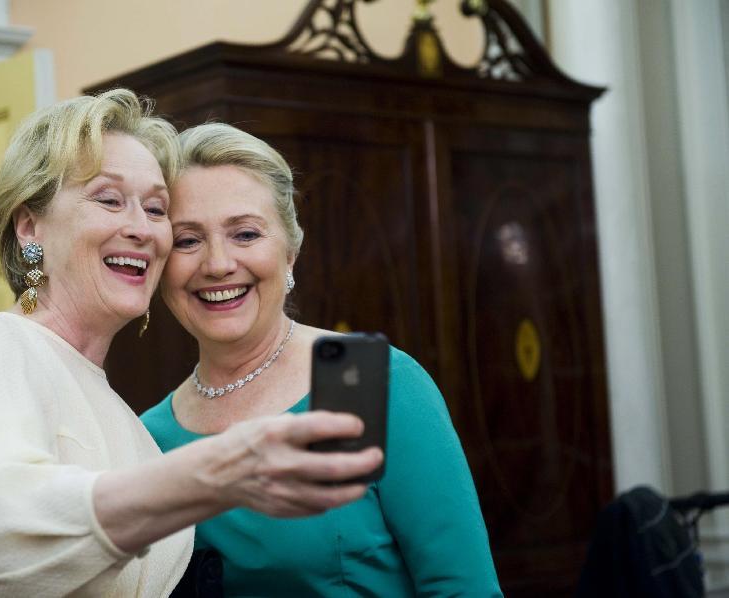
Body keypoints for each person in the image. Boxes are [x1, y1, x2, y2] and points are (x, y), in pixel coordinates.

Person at [0, 90, 384, 597]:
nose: (143, 229)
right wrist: (212, 474)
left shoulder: (133, 426)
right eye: (109, 199)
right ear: (30, 227)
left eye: (155, 208)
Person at [142, 122, 503, 596]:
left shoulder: (366, 379)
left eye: (246, 234)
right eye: (188, 240)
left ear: (290, 251)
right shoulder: (150, 438)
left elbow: (463, 588)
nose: (218, 264)